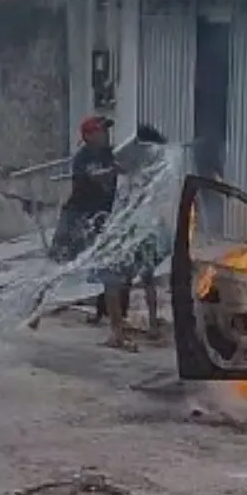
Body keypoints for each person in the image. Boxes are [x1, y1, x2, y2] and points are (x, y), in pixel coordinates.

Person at [93, 123, 173, 351]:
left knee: (111, 279)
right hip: (151, 228)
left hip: (129, 228)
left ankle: (117, 334)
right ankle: (153, 327)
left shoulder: (133, 162)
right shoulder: (159, 165)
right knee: (147, 278)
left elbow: (118, 177)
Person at [40, 115, 120, 328]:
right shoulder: (82, 158)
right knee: (57, 263)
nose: (106, 134)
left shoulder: (111, 155)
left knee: (104, 264)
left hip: (100, 217)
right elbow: (95, 176)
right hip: (76, 216)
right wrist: (113, 171)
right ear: (89, 136)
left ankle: (107, 320)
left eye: (106, 130)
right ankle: (36, 309)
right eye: (101, 131)